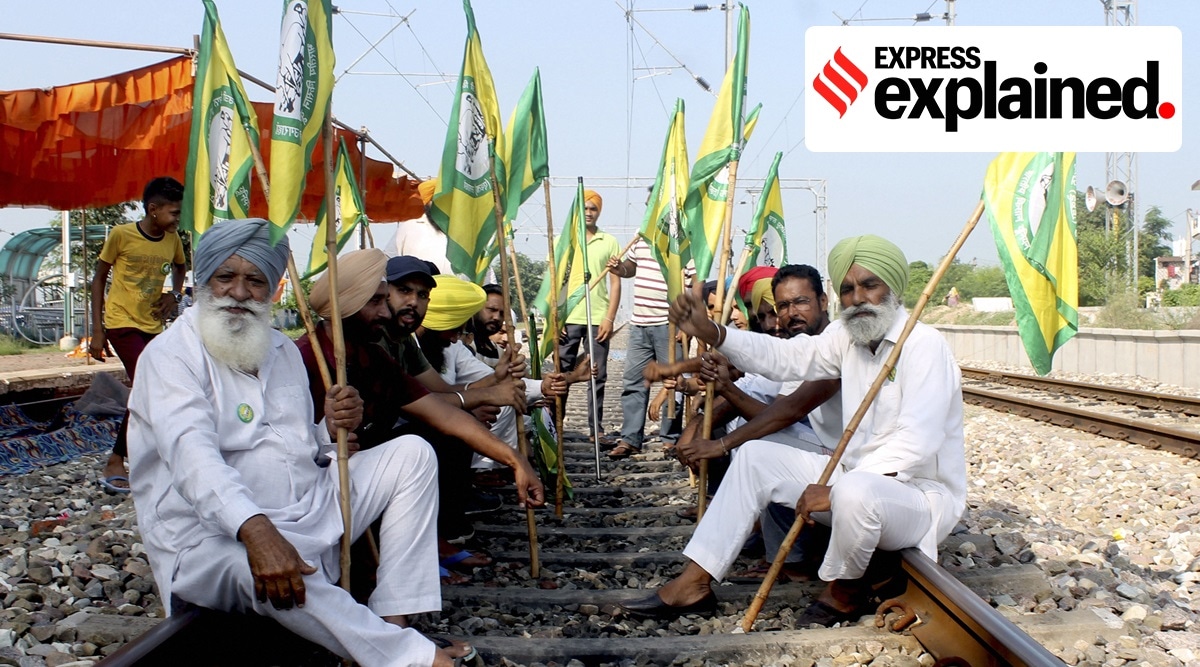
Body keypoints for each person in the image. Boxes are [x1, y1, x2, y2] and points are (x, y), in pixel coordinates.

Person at [126, 219, 466, 667]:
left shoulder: (281, 350)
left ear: (272, 288)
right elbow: (193, 460)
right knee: (247, 568)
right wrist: (257, 531)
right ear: (203, 280)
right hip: (213, 539)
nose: (240, 292)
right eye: (226, 277)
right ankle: (409, 659)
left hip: (305, 511)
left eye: (255, 280)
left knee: (412, 455)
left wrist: (328, 430)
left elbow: (300, 447)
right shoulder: (170, 357)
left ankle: (393, 620)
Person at [622, 235, 965, 628]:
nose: (857, 299)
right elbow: (785, 358)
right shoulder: (845, 336)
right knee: (755, 456)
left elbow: (918, 440)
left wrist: (837, 490)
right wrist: (714, 332)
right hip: (855, 483)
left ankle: (844, 592)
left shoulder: (924, 345)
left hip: (917, 497)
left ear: (894, 287)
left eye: (870, 285)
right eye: (849, 289)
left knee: (855, 491)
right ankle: (694, 583)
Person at [91, 176, 187, 494]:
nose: (177, 219)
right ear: (153, 209)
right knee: (147, 385)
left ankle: (151, 454)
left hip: (152, 325)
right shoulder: (121, 235)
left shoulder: (172, 240)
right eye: (173, 213)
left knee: (155, 387)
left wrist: (174, 293)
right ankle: (117, 458)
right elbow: (98, 279)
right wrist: (97, 330)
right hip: (121, 322)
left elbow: (180, 267)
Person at [605, 237, 686, 459]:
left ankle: (670, 438)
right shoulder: (640, 238)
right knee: (633, 382)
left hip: (669, 323)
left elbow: (693, 282)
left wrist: (687, 323)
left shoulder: (681, 240)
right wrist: (620, 268)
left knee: (673, 382)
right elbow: (631, 267)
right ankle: (630, 439)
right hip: (639, 322)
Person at [556, 190, 621, 439]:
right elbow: (556, 280)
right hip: (569, 318)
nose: (588, 213)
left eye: (593, 208)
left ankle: (596, 428)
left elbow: (615, 284)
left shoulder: (609, 242)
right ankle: (556, 424)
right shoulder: (566, 240)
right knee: (561, 372)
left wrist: (610, 317)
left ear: (599, 212)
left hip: (597, 318)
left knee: (597, 374)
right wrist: (556, 315)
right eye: (584, 208)